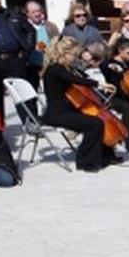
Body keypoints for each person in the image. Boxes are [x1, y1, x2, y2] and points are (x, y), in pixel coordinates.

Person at [42, 36, 119, 172]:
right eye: (74, 55)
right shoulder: (55, 69)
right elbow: (74, 79)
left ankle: (106, 156)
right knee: (95, 124)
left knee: (98, 120)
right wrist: (98, 84)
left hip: (69, 110)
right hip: (57, 114)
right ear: (64, 53)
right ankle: (85, 161)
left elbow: (81, 76)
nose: (75, 58)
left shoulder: (66, 68)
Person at [98, 38, 129, 154]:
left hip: (127, 95)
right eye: (128, 53)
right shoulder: (110, 62)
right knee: (128, 108)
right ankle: (127, 139)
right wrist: (112, 66)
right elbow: (102, 65)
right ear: (120, 51)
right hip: (113, 96)